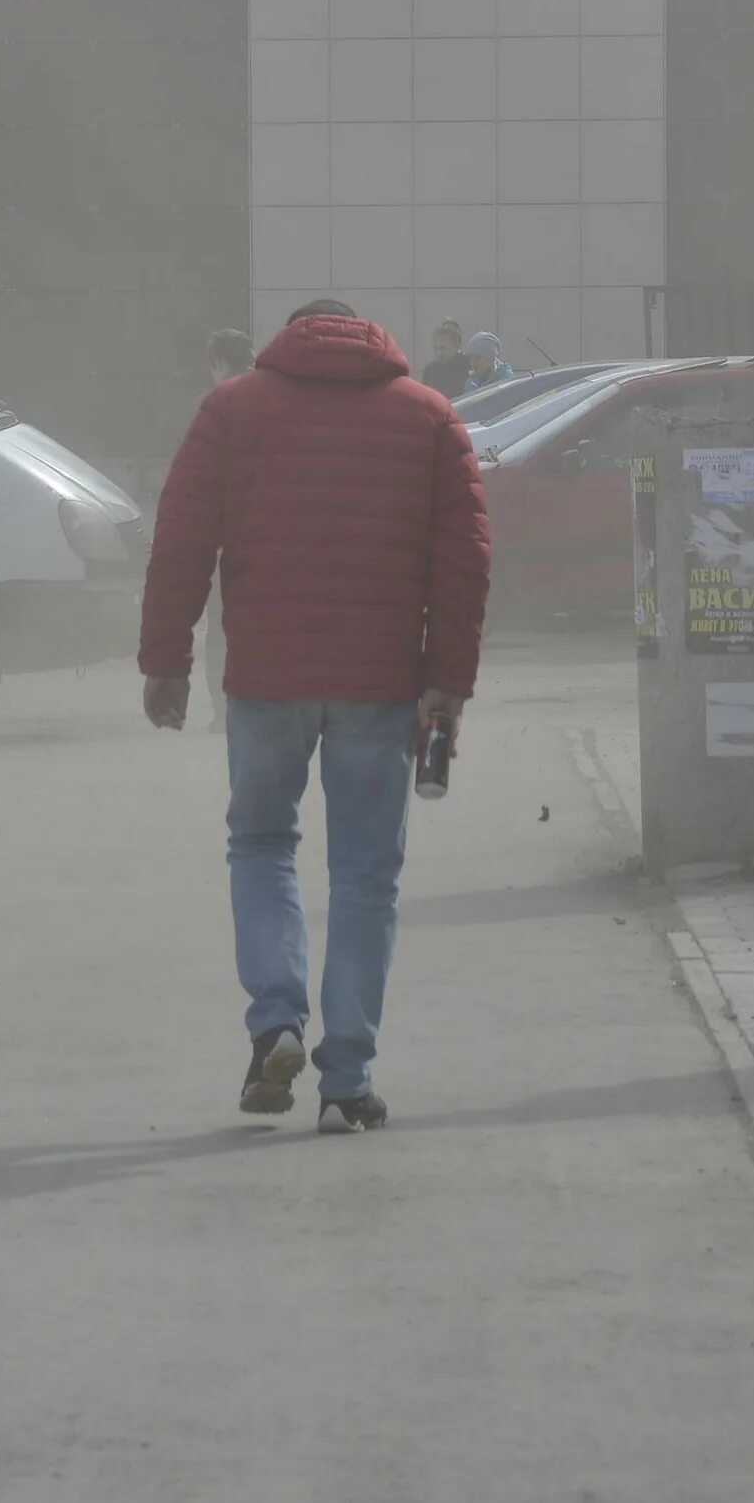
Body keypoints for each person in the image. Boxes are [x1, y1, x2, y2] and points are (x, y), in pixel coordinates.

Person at [140, 297, 491, 1133]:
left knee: (261, 844)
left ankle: (276, 1023)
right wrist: (448, 680)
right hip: (380, 682)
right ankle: (348, 1077)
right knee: (367, 876)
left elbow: (182, 537)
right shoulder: (430, 417)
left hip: (267, 677)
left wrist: (166, 660)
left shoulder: (233, 409)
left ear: (286, 340)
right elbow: (465, 561)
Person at [196, 328, 256, 726]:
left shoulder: (218, 404)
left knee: (223, 625)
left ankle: (224, 711)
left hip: (232, 531)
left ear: (218, 362)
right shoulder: (279, 394)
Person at [417, 317, 477, 401]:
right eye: (436, 348)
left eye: (443, 348)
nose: (439, 353)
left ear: (457, 345)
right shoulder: (430, 370)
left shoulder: (472, 365)